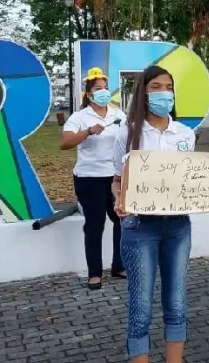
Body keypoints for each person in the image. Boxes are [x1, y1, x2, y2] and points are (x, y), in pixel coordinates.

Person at [111, 65, 209, 363]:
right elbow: (116, 180)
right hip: (139, 228)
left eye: (168, 86)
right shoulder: (126, 133)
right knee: (141, 308)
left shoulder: (184, 134)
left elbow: (192, 178)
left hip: (178, 227)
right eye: (156, 86)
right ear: (143, 91)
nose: (164, 92)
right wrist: (120, 201)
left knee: (176, 304)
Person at [60, 67, 127, 290]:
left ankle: (119, 265)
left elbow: (129, 138)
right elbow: (65, 142)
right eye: (98, 89)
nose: (103, 92)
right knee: (95, 225)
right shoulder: (79, 117)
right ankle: (95, 273)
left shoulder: (118, 114)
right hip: (89, 177)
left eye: (105, 88)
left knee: (122, 220)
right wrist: (87, 132)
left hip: (115, 177)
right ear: (89, 94)